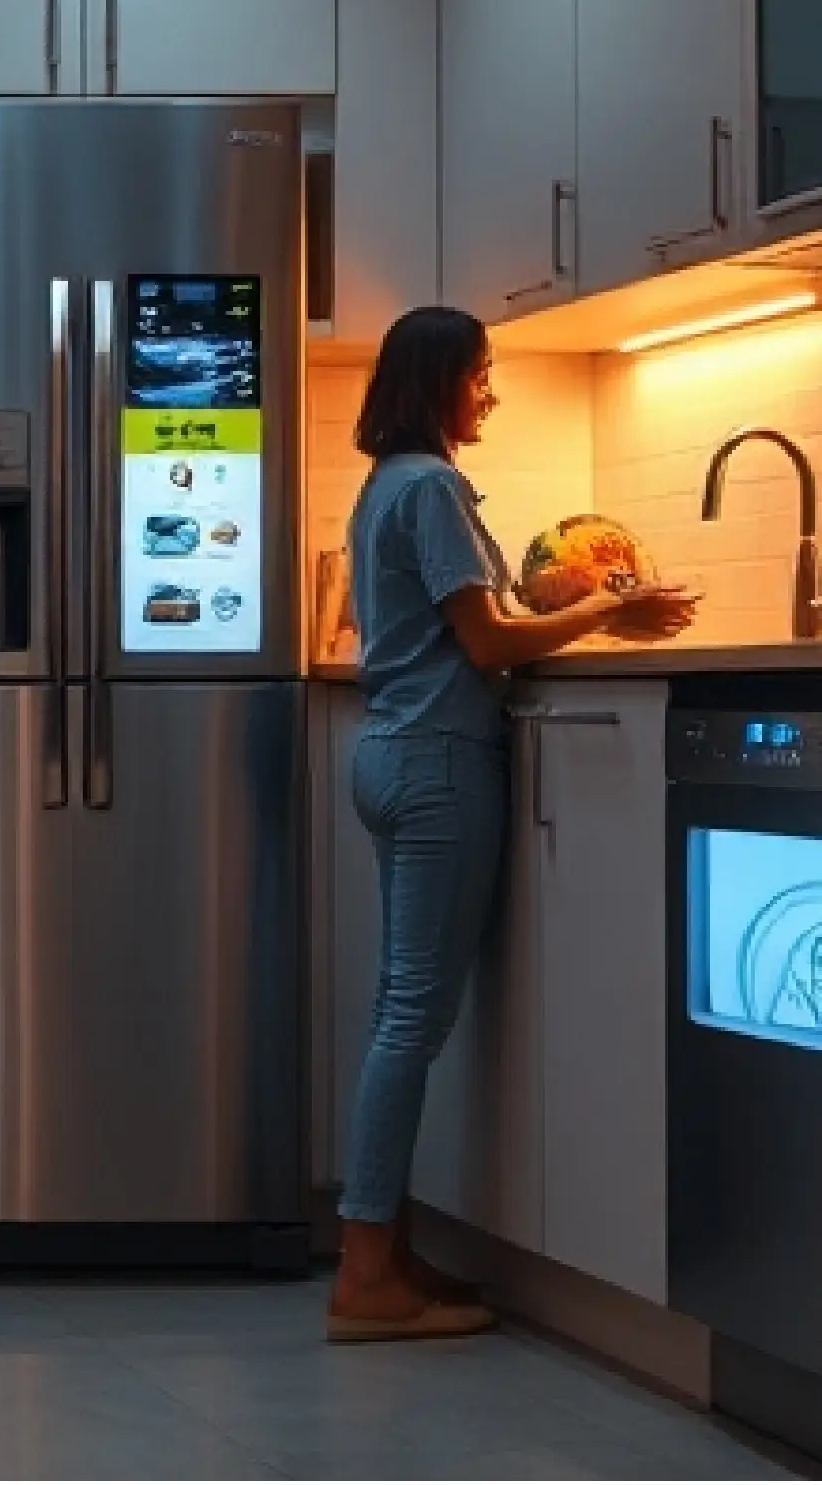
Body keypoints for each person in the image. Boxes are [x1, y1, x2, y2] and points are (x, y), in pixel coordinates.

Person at [328, 306, 696, 1345]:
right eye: (482, 375)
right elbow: (485, 642)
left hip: (392, 754)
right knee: (411, 1020)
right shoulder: (435, 485)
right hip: (442, 760)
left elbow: (454, 619)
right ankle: (363, 1273)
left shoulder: (387, 485)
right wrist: (609, 612)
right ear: (442, 379)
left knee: (398, 1011)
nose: (490, 392)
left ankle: (384, 1249)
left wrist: (562, 601)